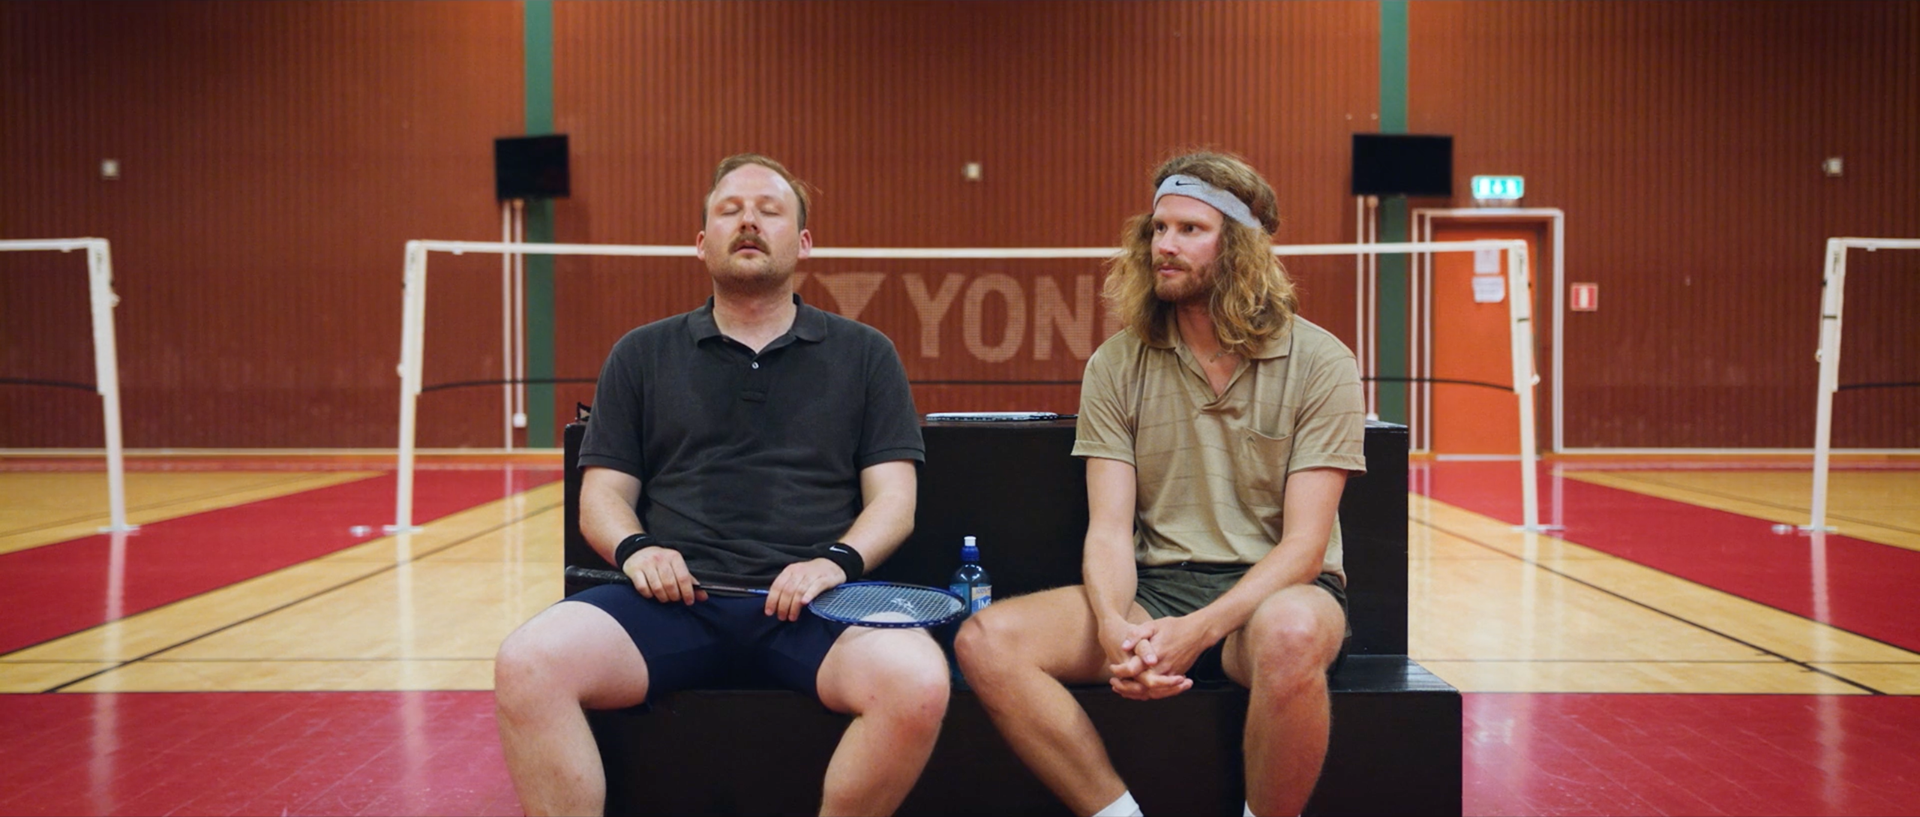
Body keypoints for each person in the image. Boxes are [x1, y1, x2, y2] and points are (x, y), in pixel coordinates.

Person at [493, 154, 948, 817]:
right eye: (730, 210)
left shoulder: (866, 353)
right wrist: (637, 549)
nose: (749, 222)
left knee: (920, 680)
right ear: (702, 243)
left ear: (804, 242)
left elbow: (895, 502)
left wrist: (834, 562)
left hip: (818, 608)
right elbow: (601, 497)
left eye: (770, 210)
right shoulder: (640, 354)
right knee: (527, 662)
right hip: (673, 606)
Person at [954, 151, 1366, 817]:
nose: (1164, 246)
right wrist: (1115, 627)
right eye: (1158, 229)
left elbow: (1304, 549)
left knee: (1290, 634)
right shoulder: (1116, 363)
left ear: (1240, 247)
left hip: (1277, 594)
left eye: (1189, 230)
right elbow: (1109, 531)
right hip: (1159, 591)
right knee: (985, 640)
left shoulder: (1322, 361)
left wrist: (1198, 631)